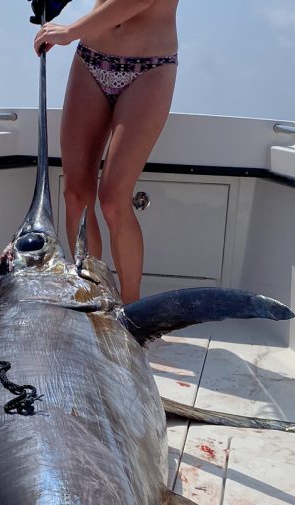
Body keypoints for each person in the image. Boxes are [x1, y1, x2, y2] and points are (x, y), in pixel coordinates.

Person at [33, 0, 179, 304]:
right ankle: (93, 302)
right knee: (75, 195)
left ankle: (133, 313)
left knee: (113, 200)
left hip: (150, 67)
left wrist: (71, 30)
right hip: (91, 58)